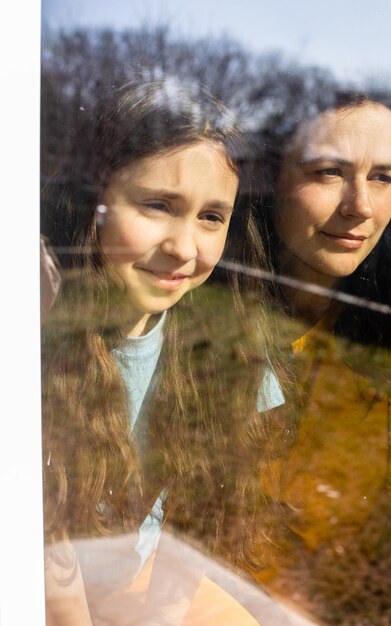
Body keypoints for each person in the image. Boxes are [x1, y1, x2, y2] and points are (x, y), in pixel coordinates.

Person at [42, 78, 288, 625]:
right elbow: (49, 569)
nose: (183, 249)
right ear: (94, 203)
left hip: (137, 591)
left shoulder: (227, 354)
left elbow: (192, 523)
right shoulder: (36, 347)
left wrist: (161, 619)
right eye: (157, 205)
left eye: (210, 217)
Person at [255, 95, 391, 622]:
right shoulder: (200, 296)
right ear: (268, 179)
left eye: (383, 177)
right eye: (329, 172)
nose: (362, 206)